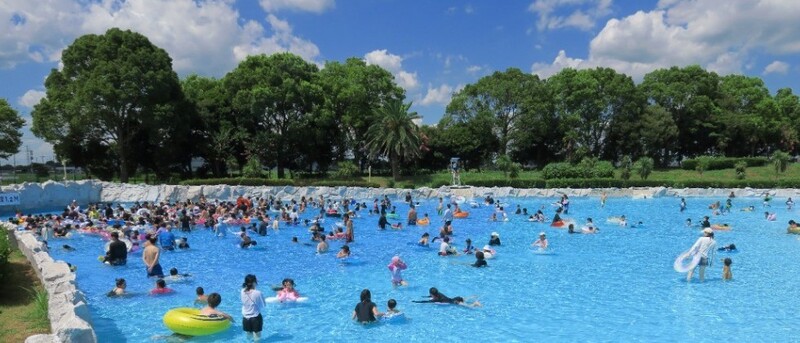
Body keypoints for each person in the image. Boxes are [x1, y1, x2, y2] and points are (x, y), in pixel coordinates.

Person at [241, 274, 266, 340]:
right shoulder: (258, 293)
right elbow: (263, 305)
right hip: (255, 317)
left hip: (245, 318)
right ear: (254, 282)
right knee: (257, 337)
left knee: (249, 335)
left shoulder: (242, 291)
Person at [413, 287, 481, 307]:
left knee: (469, 306)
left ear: (432, 294)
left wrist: (416, 302)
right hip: (456, 298)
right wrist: (425, 296)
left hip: (455, 302)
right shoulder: (439, 294)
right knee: (464, 299)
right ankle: (472, 297)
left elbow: (426, 302)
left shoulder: (436, 299)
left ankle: (475, 303)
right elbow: (430, 296)